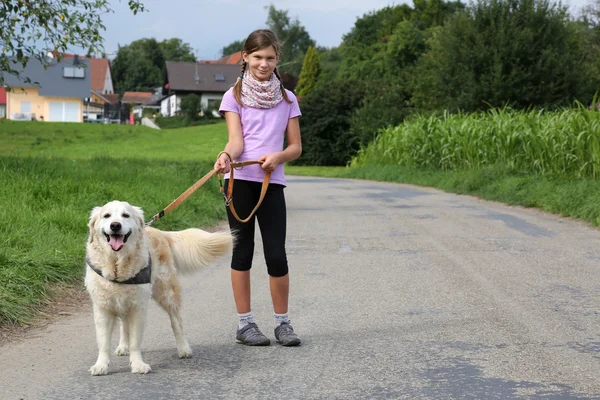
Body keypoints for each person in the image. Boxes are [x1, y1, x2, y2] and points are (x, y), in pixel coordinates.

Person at [214, 29, 302, 347]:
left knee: (277, 255)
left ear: (277, 58)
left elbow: (295, 148)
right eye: (257, 57)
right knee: (244, 252)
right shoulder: (233, 97)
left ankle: (283, 323)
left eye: (269, 58)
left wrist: (278, 156)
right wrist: (225, 156)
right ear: (245, 57)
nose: (263, 64)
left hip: (271, 182)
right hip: (239, 182)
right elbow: (236, 142)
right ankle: (245, 324)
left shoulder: (288, 100)